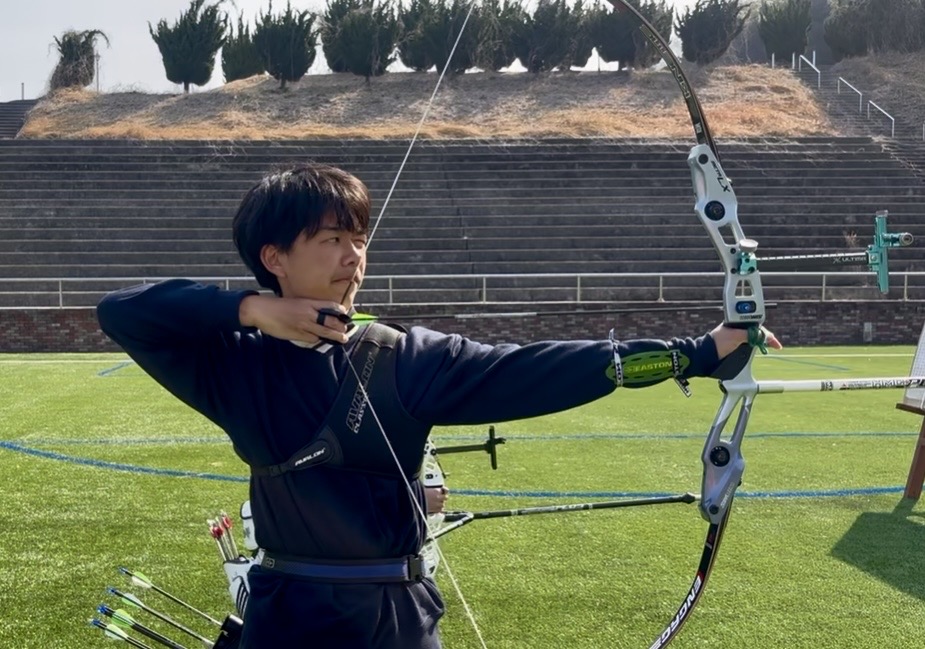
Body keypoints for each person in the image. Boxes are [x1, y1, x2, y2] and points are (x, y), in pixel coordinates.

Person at [97, 163, 781, 649]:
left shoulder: (403, 356)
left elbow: (534, 370)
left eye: (359, 238)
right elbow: (122, 311)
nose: (353, 256)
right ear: (274, 256)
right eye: (331, 240)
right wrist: (253, 310)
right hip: (288, 617)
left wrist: (695, 351)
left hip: (393, 618)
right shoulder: (233, 362)